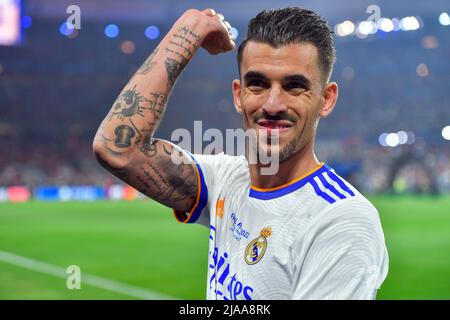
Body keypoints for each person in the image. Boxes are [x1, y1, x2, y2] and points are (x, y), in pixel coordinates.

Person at [93, 7, 389, 300]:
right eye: (257, 84)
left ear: (326, 99)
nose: (273, 104)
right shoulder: (227, 179)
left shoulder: (341, 219)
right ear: (238, 94)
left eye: (294, 86)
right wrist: (191, 26)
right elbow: (118, 149)